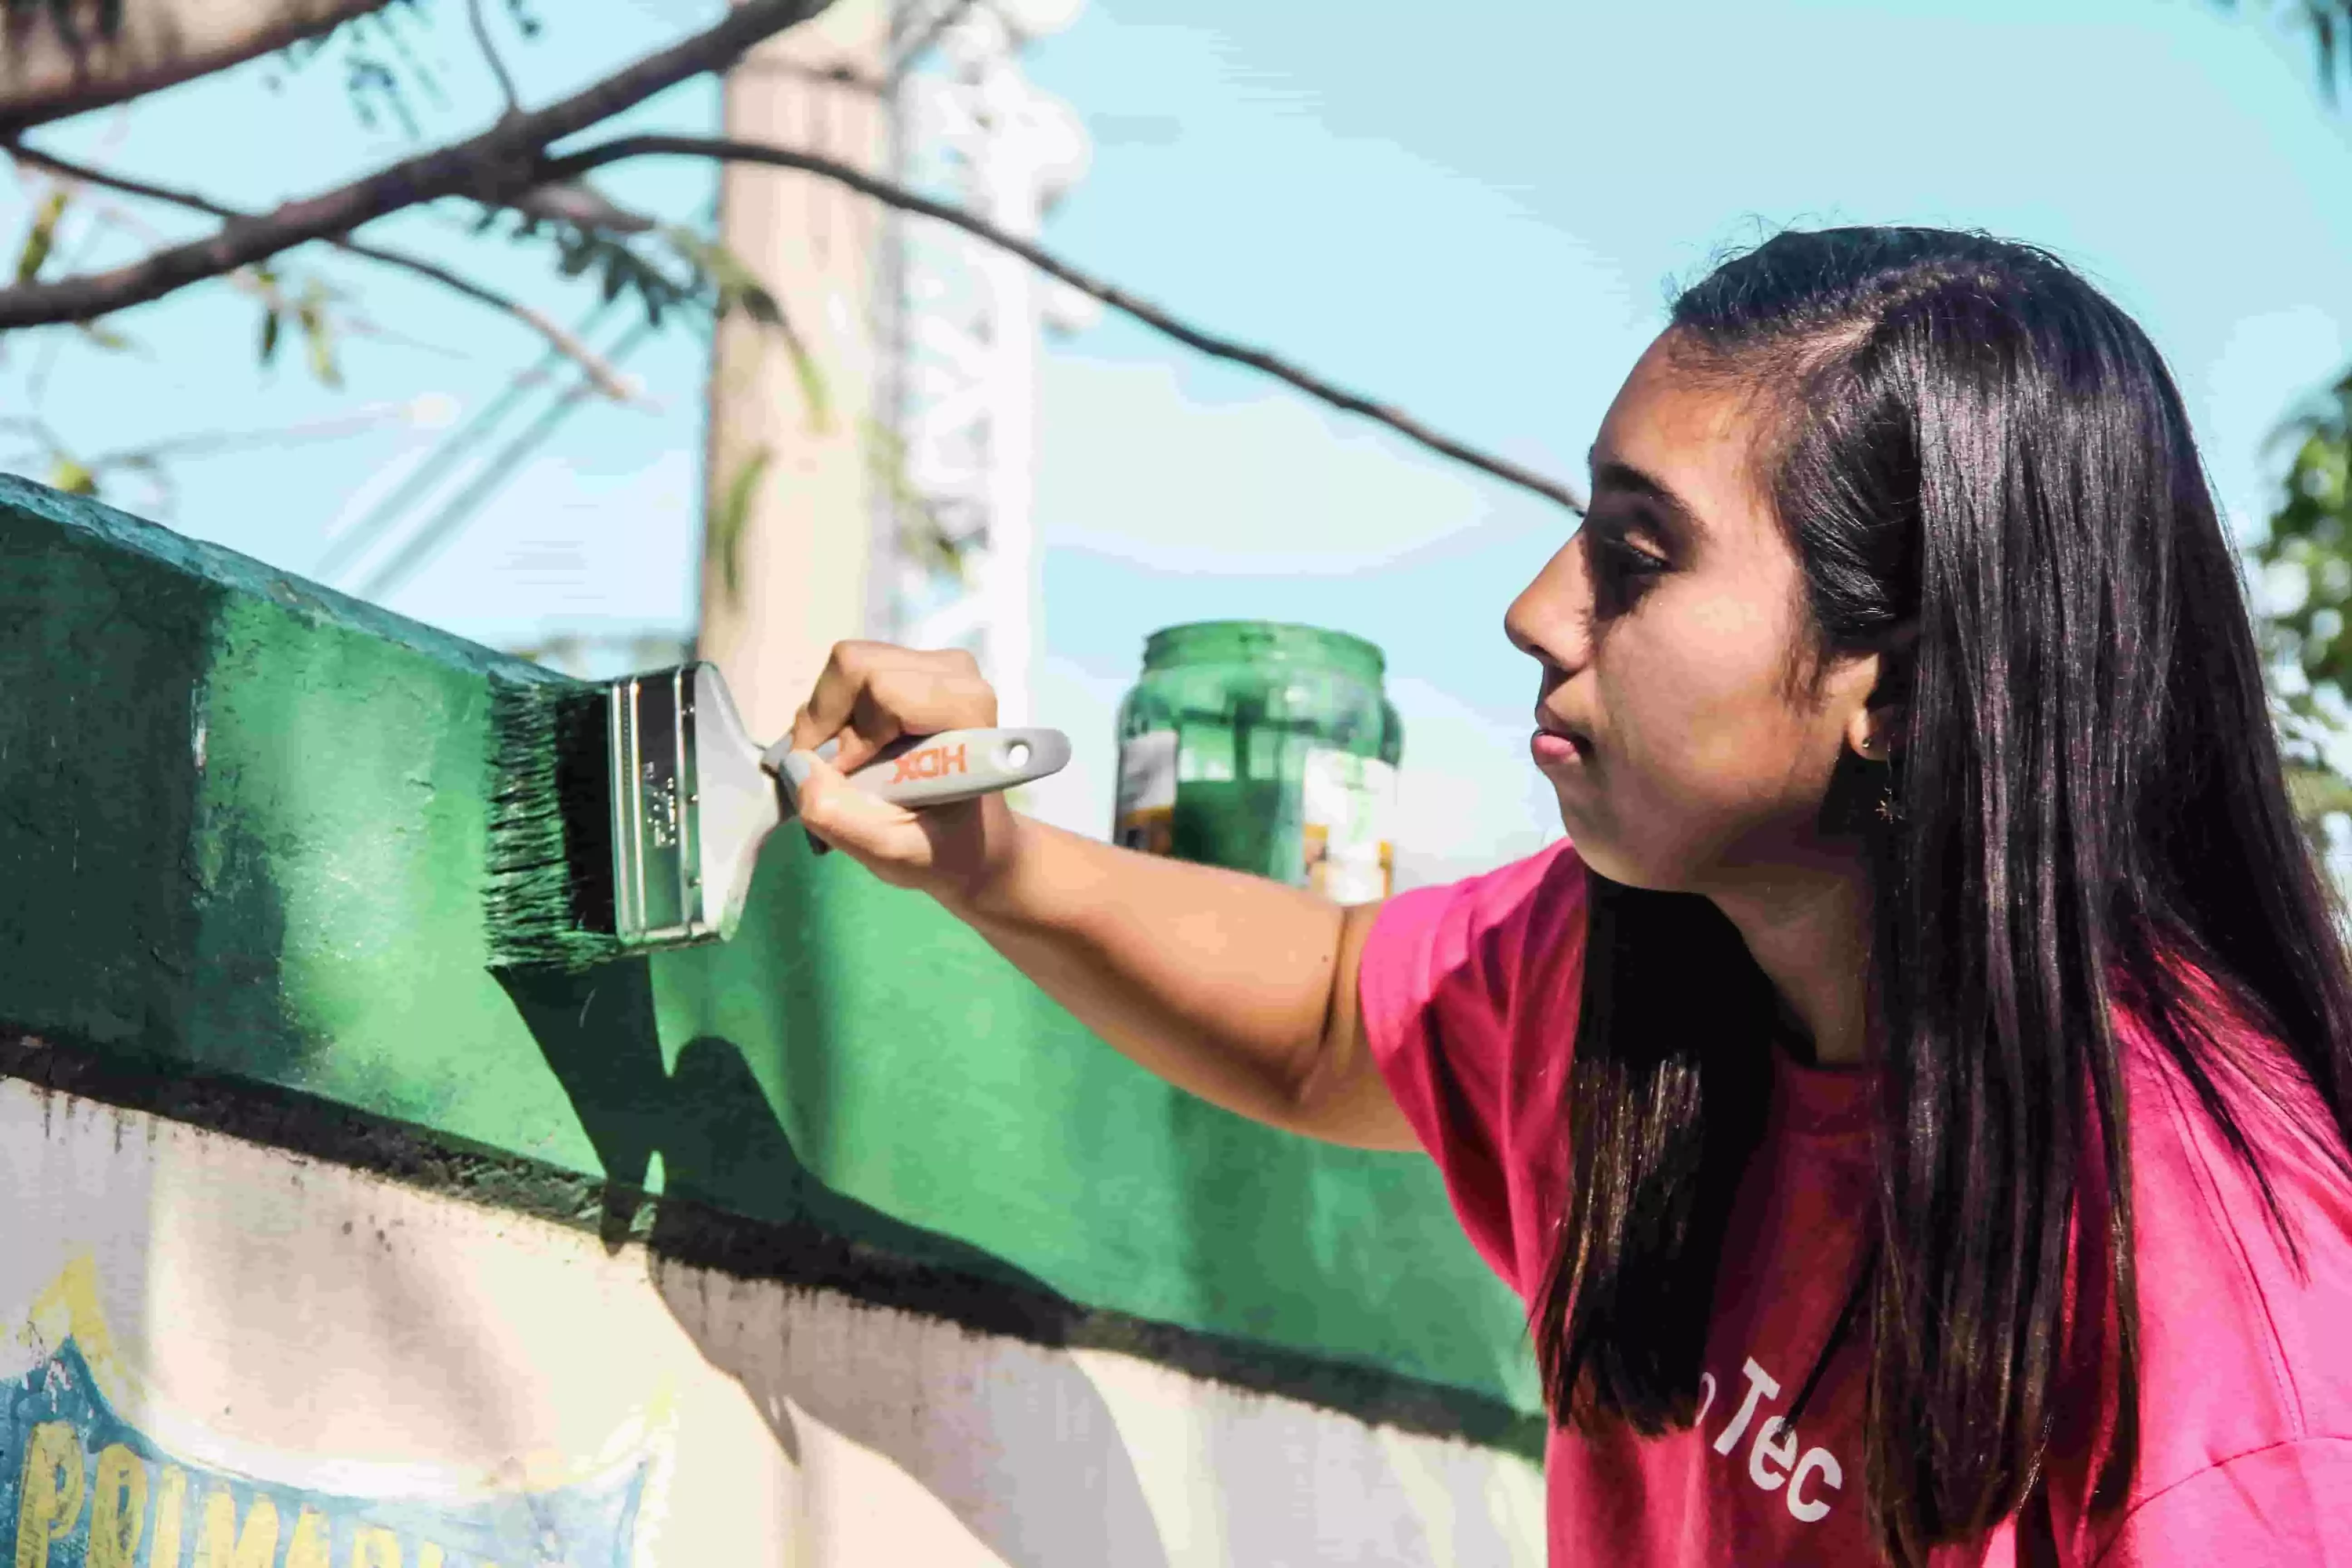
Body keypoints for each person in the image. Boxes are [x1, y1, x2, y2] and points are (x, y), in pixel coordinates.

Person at [773, 226, 2352, 1567]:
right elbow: (1335, 1014)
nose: (1537, 609)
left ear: (1909, 686)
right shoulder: (1641, 960)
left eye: (1637, 556)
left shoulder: (2230, 1325)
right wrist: (995, 861)